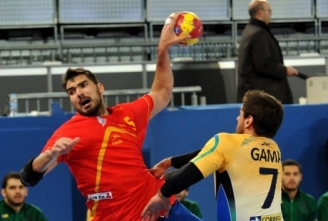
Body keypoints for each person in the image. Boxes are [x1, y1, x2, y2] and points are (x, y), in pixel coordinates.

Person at [18, 12, 201, 221]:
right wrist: (49, 155)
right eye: (71, 91)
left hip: (161, 207)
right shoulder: (68, 133)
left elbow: (162, 93)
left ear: (100, 88)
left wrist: (162, 50)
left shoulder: (128, 113)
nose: (78, 93)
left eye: (83, 85)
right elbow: (29, 178)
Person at [142, 90, 285, 221]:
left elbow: (187, 175)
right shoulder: (274, 149)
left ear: (249, 120)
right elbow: (208, 152)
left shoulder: (226, 142)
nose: (237, 118)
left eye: (240, 114)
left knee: (166, 212)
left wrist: (162, 195)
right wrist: (168, 163)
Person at [237, 0, 298, 104]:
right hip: (264, 96)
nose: (271, 14)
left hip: (254, 94)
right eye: (269, 11)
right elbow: (263, 64)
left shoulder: (250, 30)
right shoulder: (259, 34)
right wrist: (285, 70)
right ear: (260, 13)